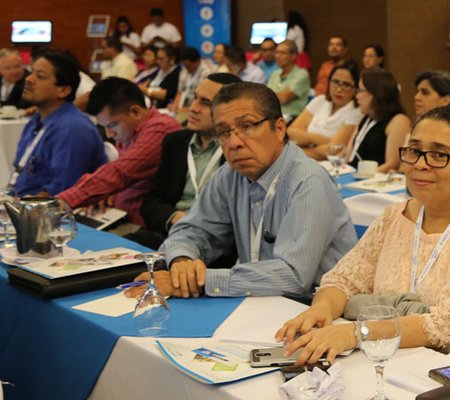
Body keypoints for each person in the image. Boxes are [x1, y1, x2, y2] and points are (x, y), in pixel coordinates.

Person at [276, 107, 450, 367]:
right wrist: (322, 308)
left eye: (438, 155)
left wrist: (354, 333)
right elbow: (345, 279)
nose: (421, 164)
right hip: (383, 357)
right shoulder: (396, 216)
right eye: (414, 151)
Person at [125, 82, 356, 300]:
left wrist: (201, 280)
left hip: (317, 311)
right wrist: (183, 261)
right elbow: (192, 230)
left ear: (279, 128)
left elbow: (293, 277)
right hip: (257, 303)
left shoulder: (307, 180)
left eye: (247, 126)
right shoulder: (230, 175)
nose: (234, 142)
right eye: (224, 132)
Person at [132, 73, 242, 250]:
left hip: (215, 245)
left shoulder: (240, 150)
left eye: (206, 103)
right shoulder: (175, 143)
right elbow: (150, 202)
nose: (193, 108)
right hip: (170, 233)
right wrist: (175, 217)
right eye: (194, 98)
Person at [58, 77, 181, 229]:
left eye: (112, 125)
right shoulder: (131, 131)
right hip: (119, 217)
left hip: (141, 228)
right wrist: (104, 194)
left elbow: (119, 174)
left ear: (135, 111)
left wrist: (59, 202)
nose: (109, 135)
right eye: (105, 127)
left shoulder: (160, 129)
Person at [9, 51, 106, 197]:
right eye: (31, 72)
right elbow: (19, 173)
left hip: (49, 214)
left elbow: (62, 192)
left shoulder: (73, 129)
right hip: (20, 203)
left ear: (63, 90)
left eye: (40, 76)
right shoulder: (35, 121)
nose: (29, 79)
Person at [287, 61, 361, 161]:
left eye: (346, 85)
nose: (339, 89)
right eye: (335, 82)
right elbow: (290, 133)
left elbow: (333, 151)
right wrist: (315, 139)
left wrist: (301, 146)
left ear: (355, 89)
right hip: (299, 160)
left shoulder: (355, 112)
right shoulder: (319, 100)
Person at [348, 69, 411, 172]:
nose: (357, 96)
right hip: (355, 176)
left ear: (375, 92)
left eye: (360, 90)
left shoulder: (398, 120)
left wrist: (364, 177)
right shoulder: (366, 119)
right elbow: (349, 156)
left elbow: (392, 164)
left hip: (374, 182)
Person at [267, 40, 310, 120]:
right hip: (272, 116)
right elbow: (266, 97)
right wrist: (281, 93)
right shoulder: (275, 73)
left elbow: (283, 99)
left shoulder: (302, 74)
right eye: (276, 52)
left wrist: (277, 95)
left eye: (282, 53)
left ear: (293, 56)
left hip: (293, 118)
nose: (277, 56)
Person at [172, 47, 210, 113]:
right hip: (183, 107)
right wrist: (175, 105)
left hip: (198, 109)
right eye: (185, 66)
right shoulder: (184, 71)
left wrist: (188, 109)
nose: (187, 69)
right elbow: (180, 92)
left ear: (198, 61)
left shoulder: (207, 72)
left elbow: (205, 98)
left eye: (189, 66)